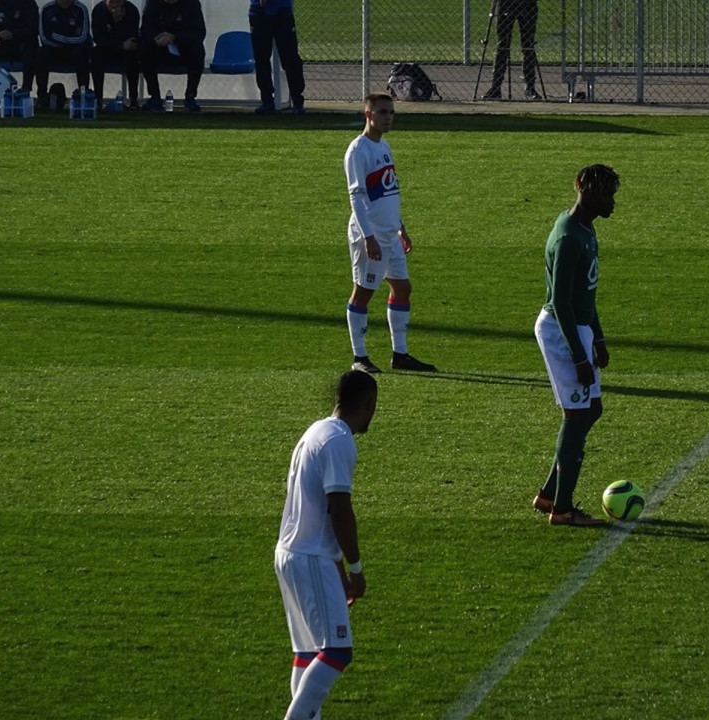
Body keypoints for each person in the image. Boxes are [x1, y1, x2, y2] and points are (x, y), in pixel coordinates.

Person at [274, 370, 377, 720]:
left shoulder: (316, 431)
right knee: (336, 651)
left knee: (308, 652)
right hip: (310, 557)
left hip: (291, 552)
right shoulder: (339, 442)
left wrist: (339, 572)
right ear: (369, 404)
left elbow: (318, 509)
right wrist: (355, 568)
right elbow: (339, 509)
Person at [532, 164, 620, 527]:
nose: (612, 202)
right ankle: (563, 510)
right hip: (561, 330)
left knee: (591, 409)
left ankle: (550, 494)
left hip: (579, 328)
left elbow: (587, 294)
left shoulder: (585, 229)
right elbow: (564, 303)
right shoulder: (569, 237)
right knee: (576, 415)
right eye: (607, 194)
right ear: (586, 190)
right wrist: (580, 356)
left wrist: (597, 338)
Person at [343, 93, 436, 375]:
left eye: (391, 112)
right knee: (363, 293)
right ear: (368, 115)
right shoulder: (358, 151)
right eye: (382, 112)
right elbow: (357, 197)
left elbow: (388, 190)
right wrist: (368, 237)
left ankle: (400, 354)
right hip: (369, 234)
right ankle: (360, 357)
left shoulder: (384, 146)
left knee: (403, 288)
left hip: (390, 233)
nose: (388, 117)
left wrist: (400, 226)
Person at [139, 0, 204, 112]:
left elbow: (199, 32)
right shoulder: (152, 3)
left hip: (183, 49)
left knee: (198, 51)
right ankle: (155, 97)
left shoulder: (192, 4)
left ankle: (190, 96)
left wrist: (175, 37)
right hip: (159, 48)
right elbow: (145, 30)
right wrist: (156, 38)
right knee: (145, 51)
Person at [248, 0, 305, 115]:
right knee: (261, 59)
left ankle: (297, 101)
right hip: (258, 12)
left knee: (290, 59)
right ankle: (267, 100)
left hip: (282, 11)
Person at [35, 0, 92, 109]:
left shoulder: (81, 9)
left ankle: (83, 95)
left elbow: (82, 37)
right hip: (53, 50)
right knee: (41, 53)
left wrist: (56, 37)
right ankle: (42, 97)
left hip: (74, 50)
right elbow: (44, 38)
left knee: (82, 53)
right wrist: (68, 38)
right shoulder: (47, 9)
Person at [481, 0, 541, 100]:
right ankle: (495, 88)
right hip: (506, 3)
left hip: (527, 4)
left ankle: (530, 88)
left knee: (528, 45)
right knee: (502, 45)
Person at [91, 0, 140, 107]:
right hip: (107, 49)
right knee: (96, 55)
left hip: (126, 50)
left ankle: (133, 99)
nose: (115, 5)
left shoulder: (131, 10)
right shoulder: (99, 11)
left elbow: (132, 36)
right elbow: (98, 38)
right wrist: (120, 44)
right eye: (112, 2)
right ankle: (98, 98)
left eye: (118, 2)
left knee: (132, 56)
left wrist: (120, 22)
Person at [0, 0, 39, 96]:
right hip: (1, 44)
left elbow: (34, 28)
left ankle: (26, 88)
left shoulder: (28, 3)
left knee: (32, 44)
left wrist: (13, 34)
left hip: (21, 45)